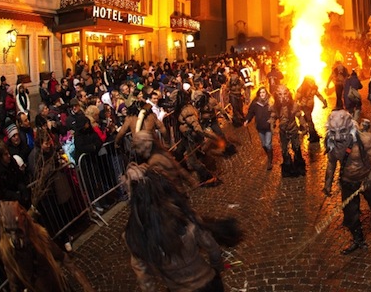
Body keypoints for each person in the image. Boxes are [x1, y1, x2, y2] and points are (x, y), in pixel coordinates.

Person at [124, 163, 241, 292]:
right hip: (208, 284)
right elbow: (212, 247)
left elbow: (144, 280)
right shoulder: (185, 217)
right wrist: (217, 270)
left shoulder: (134, 235)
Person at [322, 110, 371, 254]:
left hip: (366, 180)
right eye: (334, 132)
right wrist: (327, 183)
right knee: (350, 215)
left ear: (349, 127)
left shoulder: (364, 139)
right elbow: (331, 163)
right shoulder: (331, 142)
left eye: (341, 131)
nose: (337, 137)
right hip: (347, 182)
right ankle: (358, 239)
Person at [270, 85, 306, 177]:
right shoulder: (275, 107)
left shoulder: (293, 105)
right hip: (283, 132)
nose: (282, 97)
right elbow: (273, 116)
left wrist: (304, 125)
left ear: (288, 94)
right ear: (277, 95)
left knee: (296, 147)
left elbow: (299, 115)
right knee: (285, 150)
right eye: (280, 94)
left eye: (284, 94)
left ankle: (299, 167)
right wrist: (272, 126)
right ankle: (288, 168)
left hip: (293, 130)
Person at [245, 86, 274, 170]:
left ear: (266, 93)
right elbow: (251, 112)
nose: (262, 94)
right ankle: (269, 154)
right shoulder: (255, 103)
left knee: (268, 144)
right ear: (259, 94)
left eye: (263, 92)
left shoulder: (270, 102)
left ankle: (270, 161)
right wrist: (247, 120)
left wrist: (273, 121)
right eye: (261, 92)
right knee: (264, 144)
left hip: (268, 127)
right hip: (260, 127)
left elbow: (274, 113)